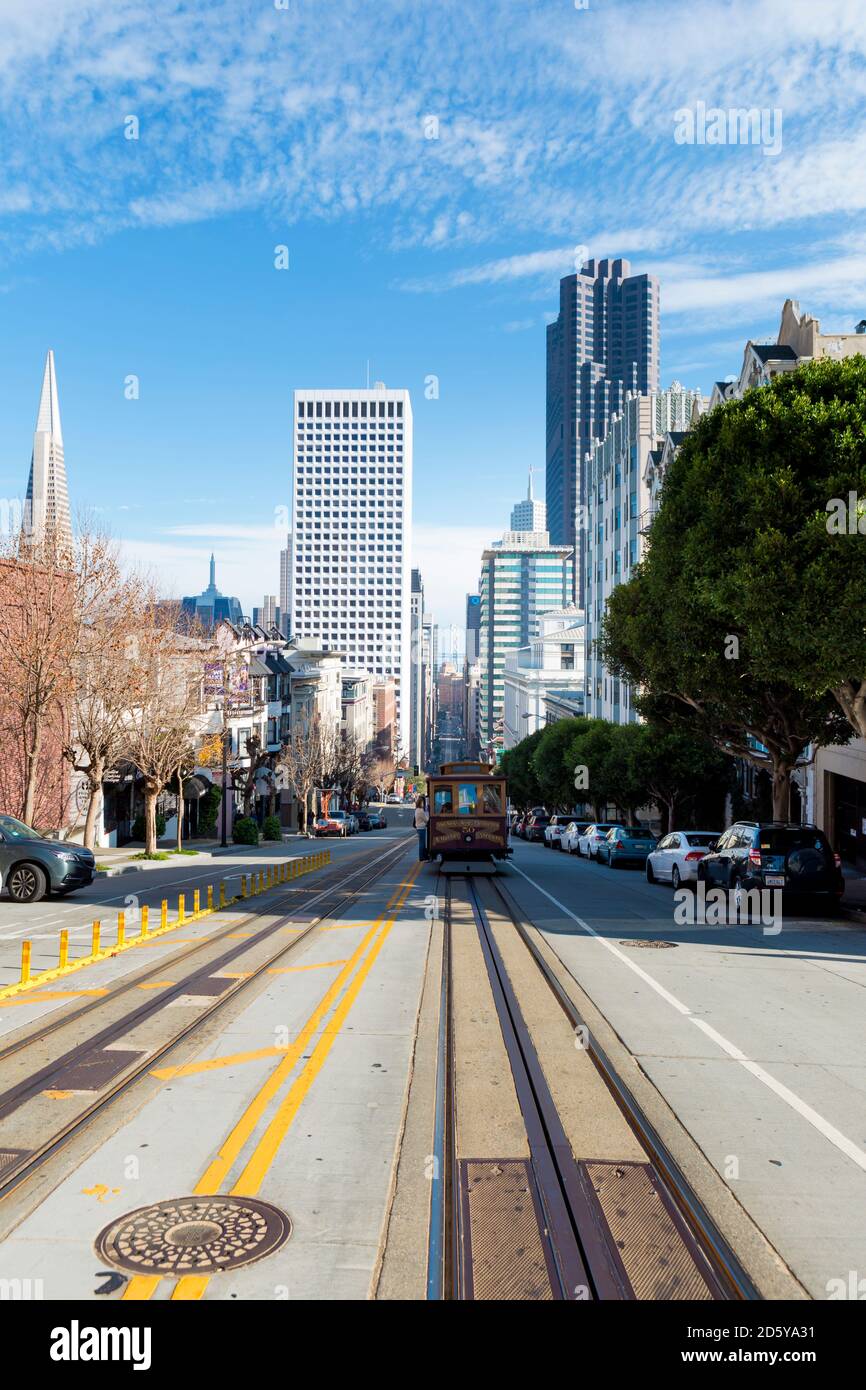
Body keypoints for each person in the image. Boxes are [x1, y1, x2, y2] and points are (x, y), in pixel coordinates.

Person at [414, 796, 429, 862]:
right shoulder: (421, 810)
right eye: (423, 803)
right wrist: (428, 817)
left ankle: (422, 856)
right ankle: (421, 857)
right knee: (422, 843)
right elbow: (426, 820)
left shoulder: (416, 810)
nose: (424, 804)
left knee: (421, 843)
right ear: (421, 803)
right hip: (422, 828)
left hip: (418, 828)